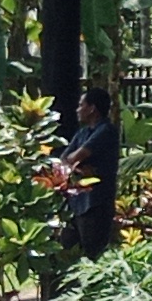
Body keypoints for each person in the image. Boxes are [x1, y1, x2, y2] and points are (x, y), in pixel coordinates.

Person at [61, 87, 122, 258]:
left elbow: (76, 157)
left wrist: (75, 163)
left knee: (93, 253)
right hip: (76, 204)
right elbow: (64, 161)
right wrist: (79, 167)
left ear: (92, 108)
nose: (77, 109)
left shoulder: (106, 131)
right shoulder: (82, 133)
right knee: (67, 252)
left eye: (81, 105)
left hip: (96, 203)